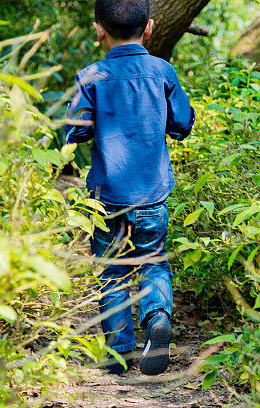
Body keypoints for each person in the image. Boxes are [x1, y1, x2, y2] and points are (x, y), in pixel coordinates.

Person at [65, 0, 195, 375]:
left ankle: (119, 352)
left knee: (113, 270)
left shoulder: (91, 76)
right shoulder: (162, 71)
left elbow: (74, 129)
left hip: (107, 197)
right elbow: (182, 124)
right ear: (150, 28)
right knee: (152, 259)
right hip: (153, 193)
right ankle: (156, 315)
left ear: (98, 30)